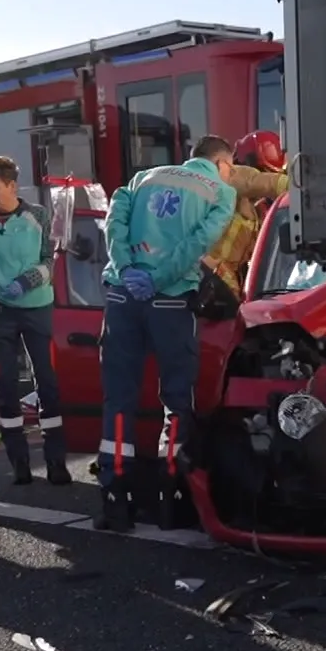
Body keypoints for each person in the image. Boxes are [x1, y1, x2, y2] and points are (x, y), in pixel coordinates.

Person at [95, 135, 236, 529]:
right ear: (222, 163)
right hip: (171, 301)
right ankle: (172, 498)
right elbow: (197, 244)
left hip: (124, 298)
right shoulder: (219, 192)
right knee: (176, 401)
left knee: (118, 399)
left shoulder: (143, 178)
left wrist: (128, 270)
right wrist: (158, 278)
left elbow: (114, 224)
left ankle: (114, 499)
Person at [0, 155, 69, 486]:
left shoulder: (38, 215)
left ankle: (56, 463)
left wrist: (25, 282)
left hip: (37, 308)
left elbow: (49, 261)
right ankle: (19, 463)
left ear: (11, 186)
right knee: (7, 389)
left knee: (47, 385)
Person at [200, 129, 292, 307]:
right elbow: (259, 182)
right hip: (213, 272)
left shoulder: (257, 208)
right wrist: (299, 185)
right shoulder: (231, 178)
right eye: (264, 170)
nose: (267, 175)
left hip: (228, 276)